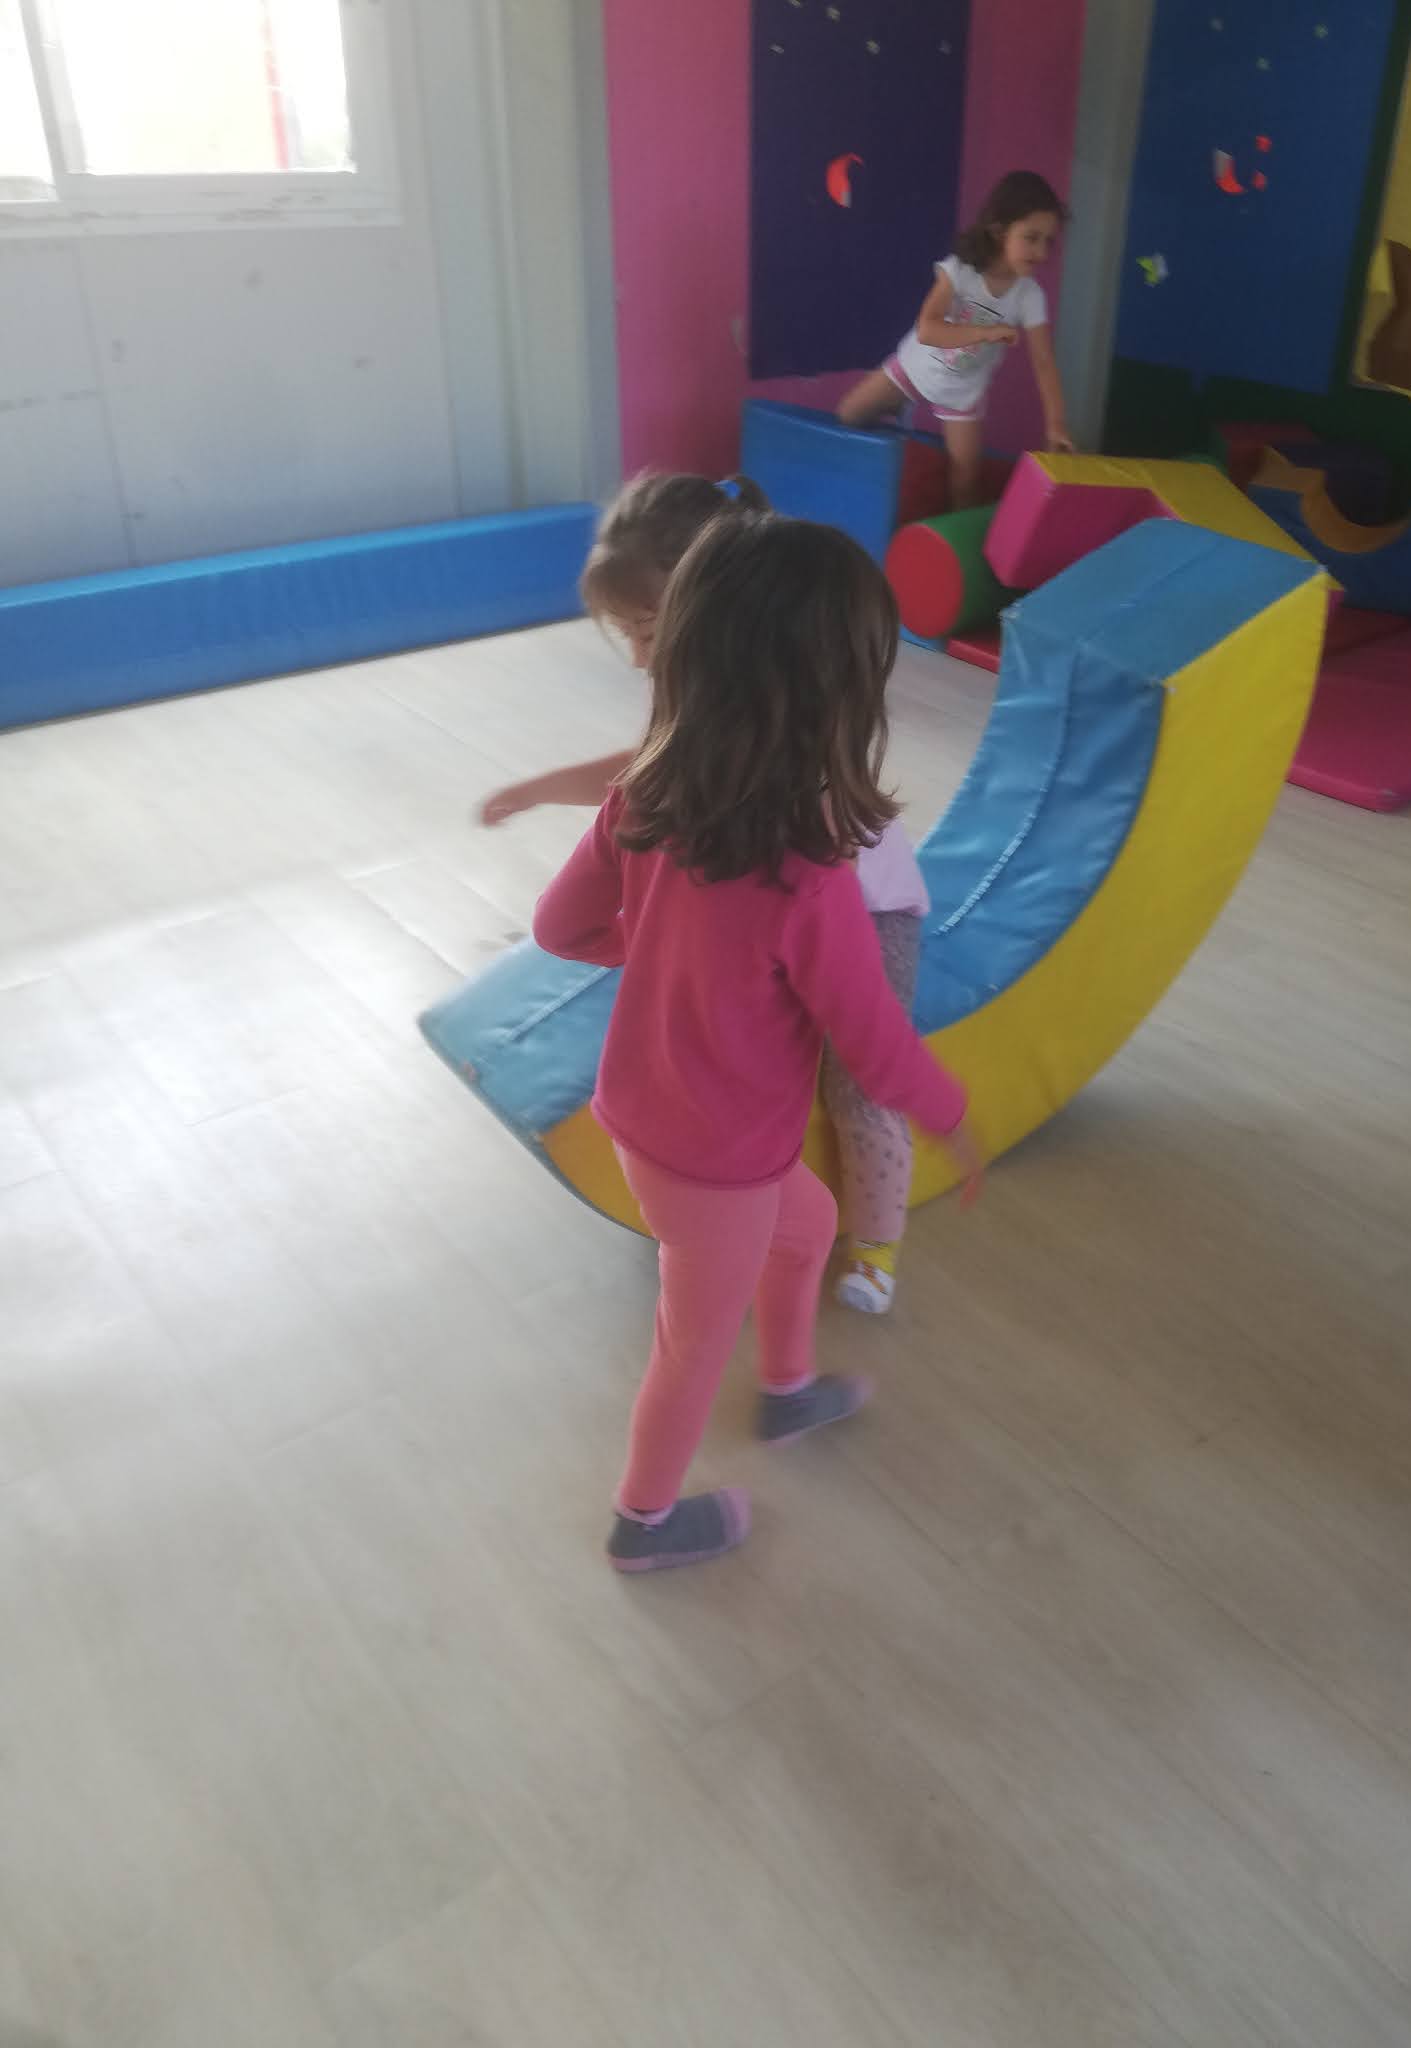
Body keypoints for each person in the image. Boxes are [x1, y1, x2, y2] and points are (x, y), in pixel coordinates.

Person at [530, 511, 981, 1571]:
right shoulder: (810, 874)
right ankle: (642, 1523)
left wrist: (661, 947)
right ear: (841, 695)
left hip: (658, 1120)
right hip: (717, 1157)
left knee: (809, 1225)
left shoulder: (641, 798)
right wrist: (954, 1118)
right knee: (692, 1343)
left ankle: (786, 1391)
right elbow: (872, 1040)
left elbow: (558, 928)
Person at [482, 471, 932, 1317]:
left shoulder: (790, 704)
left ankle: (876, 1245)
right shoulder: (700, 690)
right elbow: (643, 775)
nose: (641, 657)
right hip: (771, 902)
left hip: (863, 913)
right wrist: (540, 790)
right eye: (629, 635)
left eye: (649, 631)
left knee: (859, 1080)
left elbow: (808, 875)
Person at [837, 169, 1074, 507]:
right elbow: (928, 330)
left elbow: (1044, 362)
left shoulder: (1029, 295)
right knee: (849, 415)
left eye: (1048, 241)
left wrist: (1056, 424)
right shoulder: (960, 269)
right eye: (1031, 237)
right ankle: (897, 412)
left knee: (965, 482)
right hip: (914, 369)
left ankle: (956, 538)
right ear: (999, 230)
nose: (1041, 252)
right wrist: (985, 332)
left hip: (962, 394)